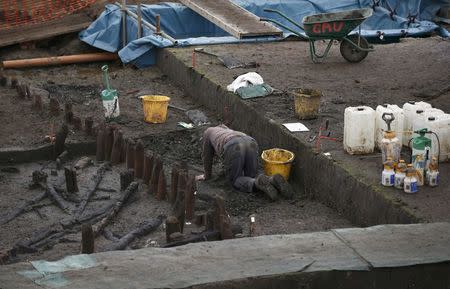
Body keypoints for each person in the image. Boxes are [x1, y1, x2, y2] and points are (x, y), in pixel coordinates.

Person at [197, 124, 293, 201]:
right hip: (250, 141)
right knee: (252, 175)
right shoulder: (225, 129)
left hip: (234, 146)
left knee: (235, 180)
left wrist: (207, 175)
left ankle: (257, 182)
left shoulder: (208, 132)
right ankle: (272, 179)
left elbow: (206, 156)